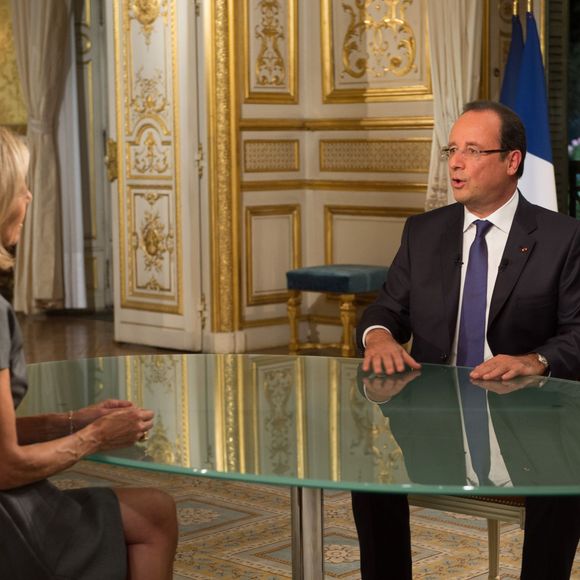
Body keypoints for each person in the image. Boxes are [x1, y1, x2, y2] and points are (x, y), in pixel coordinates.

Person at [353, 101, 580, 579]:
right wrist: (378, 338)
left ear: (511, 161)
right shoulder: (423, 232)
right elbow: (385, 310)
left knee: (566, 486)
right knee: (367, 474)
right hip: (432, 413)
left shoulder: (563, 238)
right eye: (452, 149)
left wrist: (536, 359)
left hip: (531, 415)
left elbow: (578, 332)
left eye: (472, 150)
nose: (455, 162)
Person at [0, 126, 178, 579]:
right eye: (22, 187)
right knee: (155, 514)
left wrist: (74, 420)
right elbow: (5, 466)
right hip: (9, 525)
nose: (29, 198)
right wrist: (96, 437)